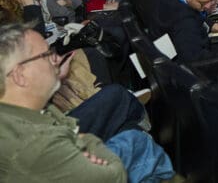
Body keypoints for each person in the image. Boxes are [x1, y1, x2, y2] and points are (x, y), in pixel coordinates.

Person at [0, 23, 168, 182]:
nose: (56, 59)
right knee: (137, 142)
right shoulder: (36, 146)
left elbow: (63, 125)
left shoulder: (17, 109)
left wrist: (77, 140)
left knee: (132, 132)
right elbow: (113, 175)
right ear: (19, 75)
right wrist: (87, 142)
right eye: (46, 55)